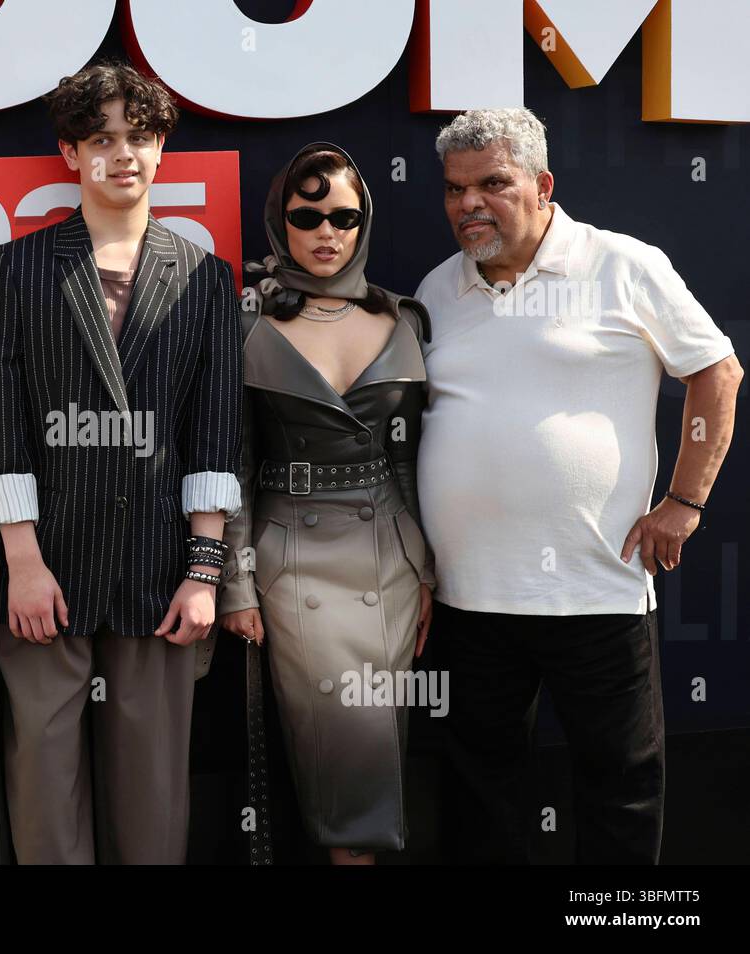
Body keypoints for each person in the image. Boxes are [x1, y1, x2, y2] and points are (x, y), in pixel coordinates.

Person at [415, 107, 743, 864]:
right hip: (470, 598)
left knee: (618, 789)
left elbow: (717, 373)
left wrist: (685, 504)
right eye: (455, 189)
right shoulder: (438, 289)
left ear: (542, 184)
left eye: (492, 183)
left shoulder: (623, 264)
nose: (469, 204)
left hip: (596, 590)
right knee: (479, 795)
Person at [0, 62, 242, 864]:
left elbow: (215, 435)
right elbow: (0, 428)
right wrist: (23, 561)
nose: (123, 153)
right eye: (102, 138)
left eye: (140, 136)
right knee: (42, 790)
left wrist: (203, 572)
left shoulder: (207, 279)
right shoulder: (16, 269)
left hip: (161, 581)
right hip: (43, 575)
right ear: (70, 153)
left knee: (154, 803)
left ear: (161, 149)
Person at [218, 142, 436, 864]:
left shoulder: (406, 318)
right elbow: (234, 465)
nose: (327, 232)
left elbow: (410, 460)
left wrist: (427, 566)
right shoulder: (245, 322)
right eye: (307, 216)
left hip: (394, 560)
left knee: (380, 738)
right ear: (280, 223)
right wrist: (235, 585)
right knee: (339, 744)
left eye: (345, 216)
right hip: (294, 560)